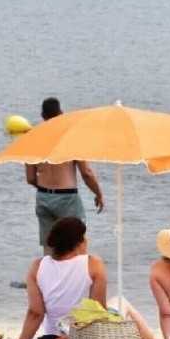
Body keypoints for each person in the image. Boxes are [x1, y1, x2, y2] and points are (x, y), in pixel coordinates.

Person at [18, 217, 161, 339]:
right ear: (80, 242)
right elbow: (97, 311)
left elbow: (35, 313)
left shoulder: (37, 266)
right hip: (86, 337)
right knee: (121, 301)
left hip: (53, 335)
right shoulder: (92, 263)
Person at [24, 97, 105, 254]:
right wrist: (98, 194)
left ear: (42, 115)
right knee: (77, 243)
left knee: (50, 246)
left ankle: (48, 278)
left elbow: (31, 178)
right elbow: (86, 173)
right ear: (61, 114)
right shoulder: (71, 138)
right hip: (67, 198)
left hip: (43, 196)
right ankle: (78, 276)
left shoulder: (33, 138)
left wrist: (45, 187)